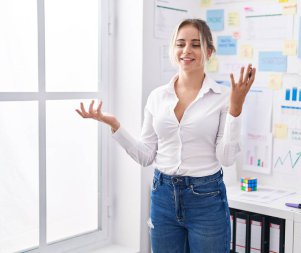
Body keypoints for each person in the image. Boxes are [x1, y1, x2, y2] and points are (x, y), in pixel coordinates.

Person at [76, 18, 255, 253]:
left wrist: (236, 108)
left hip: (207, 198)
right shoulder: (157, 97)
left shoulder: (223, 97)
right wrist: (114, 125)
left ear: (209, 51)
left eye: (195, 44)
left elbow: (227, 157)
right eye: (180, 44)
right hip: (162, 196)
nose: (186, 50)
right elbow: (146, 156)